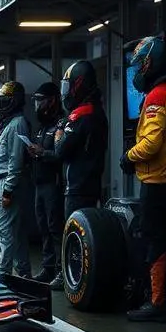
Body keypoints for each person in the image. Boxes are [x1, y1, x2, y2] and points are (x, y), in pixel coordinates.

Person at [120, 36, 166, 322]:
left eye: (139, 65)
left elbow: (151, 143)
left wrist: (128, 156)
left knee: (155, 241)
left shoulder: (158, 95)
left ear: (150, 63)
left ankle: (157, 302)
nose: (136, 72)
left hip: (158, 181)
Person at [54, 61, 109, 219]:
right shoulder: (97, 111)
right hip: (92, 185)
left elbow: (60, 151)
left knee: (74, 236)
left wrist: (59, 128)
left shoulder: (81, 114)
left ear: (77, 85)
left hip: (78, 190)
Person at [0, 81, 32, 282]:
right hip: (4, 180)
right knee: (17, 231)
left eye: (3, 102)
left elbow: (16, 161)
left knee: (5, 230)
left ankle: (3, 273)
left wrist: (7, 190)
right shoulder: (12, 123)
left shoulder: (17, 124)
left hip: (7, 182)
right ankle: (23, 272)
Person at [27, 82, 65, 288]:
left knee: (55, 228)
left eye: (41, 101)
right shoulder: (42, 128)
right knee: (43, 228)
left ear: (51, 101)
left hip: (54, 184)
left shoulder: (60, 125)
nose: (38, 106)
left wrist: (42, 153)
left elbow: (60, 155)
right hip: (39, 184)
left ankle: (61, 270)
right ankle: (48, 267)